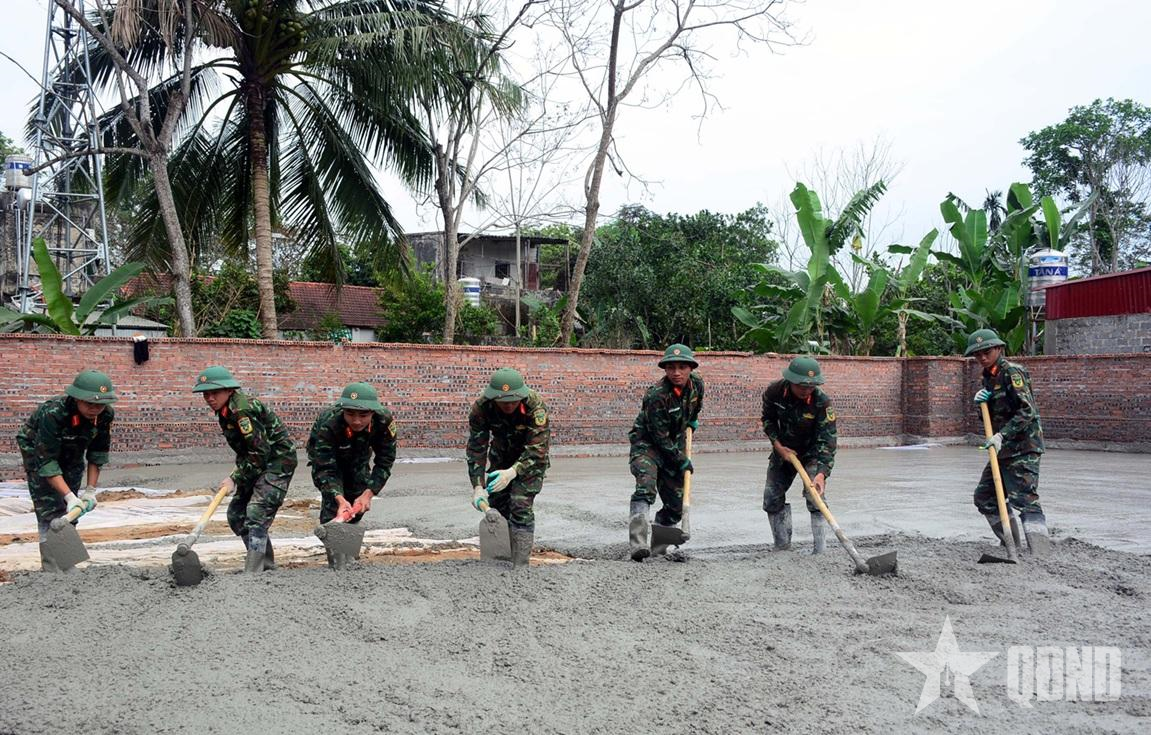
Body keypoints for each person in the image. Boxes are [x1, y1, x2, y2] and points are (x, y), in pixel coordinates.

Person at [193, 366, 297, 573]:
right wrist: (235, 475)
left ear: (229, 390)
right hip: (256, 461)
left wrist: (236, 478)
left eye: (215, 393)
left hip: (277, 462)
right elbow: (247, 451)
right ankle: (265, 564)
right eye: (206, 394)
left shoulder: (241, 410)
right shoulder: (224, 411)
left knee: (256, 513)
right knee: (236, 514)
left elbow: (260, 452)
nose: (210, 398)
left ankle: (255, 570)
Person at [17, 370, 117, 571]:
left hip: (73, 449)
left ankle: (67, 561)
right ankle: (53, 569)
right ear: (76, 398)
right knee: (50, 507)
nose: (95, 409)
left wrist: (89, 491)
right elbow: (47, 462)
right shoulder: (53, 414)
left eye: (100, 404)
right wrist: (70, 497)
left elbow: (97, 454)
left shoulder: (105, 414)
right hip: (38, 449)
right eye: (90, 404)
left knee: (71, 509)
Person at [966, 328, 1051, 555]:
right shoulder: (988, 376)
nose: (982, 357)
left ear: (998, 349)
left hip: (1023, 447)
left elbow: (1027, 411)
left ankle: (1041, 551)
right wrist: (980, 404)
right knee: (985, 496)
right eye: (977, 354)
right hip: (1001, 449)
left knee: (1024, 498)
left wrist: (1002, 435)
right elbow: (992, 415)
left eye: (986, 352)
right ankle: (1011, 543)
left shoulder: (1012, 372)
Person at [466, 368, 550, 568]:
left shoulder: (535, 406)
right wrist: (478, 486)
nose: (509, 405)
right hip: (501, 457)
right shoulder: (481, 408)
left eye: (513, 401)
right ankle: (501, 560)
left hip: (530, 461)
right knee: (499, 504)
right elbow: (477, 448)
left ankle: (521, 565)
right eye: (504, 402)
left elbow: (538, 449)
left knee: (520, 504)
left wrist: (513, 472)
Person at [306, 382, 397, 567]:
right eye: (350, 414)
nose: (356, 421)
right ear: (343, 411)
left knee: (356, 505)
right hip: (328, 458)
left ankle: (349, 557)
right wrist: (339, 499)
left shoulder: (384, 421)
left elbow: (385, 461)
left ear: (373, 412)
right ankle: (338, 565)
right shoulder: (329, 423)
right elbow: (325, 468)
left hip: (359, 457)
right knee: (333, 511)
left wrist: (368, 494)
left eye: (363, 415)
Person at [627, 344, 704, 562]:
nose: (676, 373)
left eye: (682, 367)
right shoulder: (656, 396)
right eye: (671, 368)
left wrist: (692, 420)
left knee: (676, 503)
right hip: (648, 446)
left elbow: (696, 407)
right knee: (646, 487)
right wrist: (681, 460)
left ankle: (659, 549)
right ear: (665, 370)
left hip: (675, 444)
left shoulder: (697, 385)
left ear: (690, 368)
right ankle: (638, 544)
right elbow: (659, 437)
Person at [761, 356, 837, 554]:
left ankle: (820, 551)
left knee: (816, 498)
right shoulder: (775, 392)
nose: (806, 390)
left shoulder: (822, 402)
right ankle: (782, 546)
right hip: (784, 450)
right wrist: (778, 446)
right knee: (771, 497)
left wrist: (821, 473)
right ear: (791, 381)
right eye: (802, 386)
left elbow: (827, 441)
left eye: (811, 387)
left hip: (812, 453)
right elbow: (768, 420)